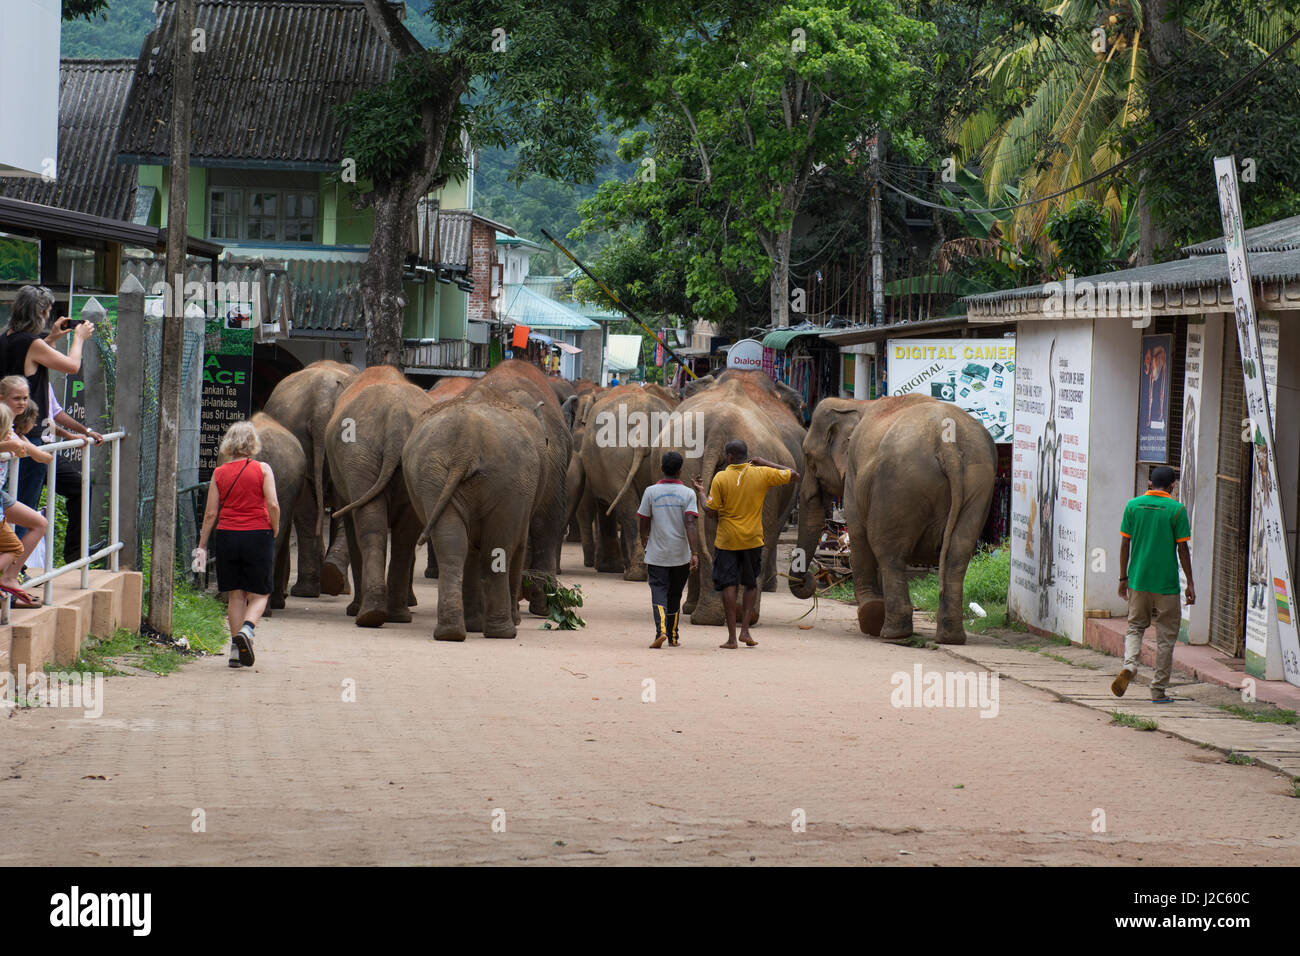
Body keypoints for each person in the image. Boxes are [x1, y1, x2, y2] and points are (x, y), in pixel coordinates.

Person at [0, 286, 94, 530]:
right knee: (24, 508)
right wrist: (79, 338)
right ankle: (14, 567)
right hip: (30, 434)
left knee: (14, 502)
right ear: (40, 312)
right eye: (48, 312)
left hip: (14, 430)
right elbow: (72, 366)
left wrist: (51, 338)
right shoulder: (31, 343)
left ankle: (15, 563)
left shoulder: (7, 339)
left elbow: (30, 359)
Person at [692, 439, 799, 649]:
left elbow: (711, 512)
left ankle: (732, 638)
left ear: (729, 457)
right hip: (752, 539)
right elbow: (794, 474)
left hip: (727, 540)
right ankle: (745, 631)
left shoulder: (721, 478)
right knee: (750, 584)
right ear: (746, 454)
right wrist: (765, 462)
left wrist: (701, 493)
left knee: (728, 585)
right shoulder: (761, 473)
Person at [196, 421, 280, 669]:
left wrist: (202, 545)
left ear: (229, 444)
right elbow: (273, 505)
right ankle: (248, 629)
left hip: (227, 536)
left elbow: (211, 513)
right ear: (252, 444)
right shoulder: (263, 469)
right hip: (258, 534)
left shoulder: (219, 473)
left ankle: (235, 650)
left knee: (235, 595)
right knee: (261, 593)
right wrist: (274, 527)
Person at [1111, 465, 1195, 703]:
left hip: (1138, 580)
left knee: (1135, 626)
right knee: (1166, 637)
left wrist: (1122, 578)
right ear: (1172, 486)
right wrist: (1190, 583)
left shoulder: (1132, 506)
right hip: (1166, 584)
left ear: (1149, 483)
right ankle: (1158, 690)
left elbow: (1124, 544)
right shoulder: (1176, 510)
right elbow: (1182, 548)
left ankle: (1130, 665)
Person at [637, 451, 700, 649]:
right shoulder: (689, 493)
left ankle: (661, 631)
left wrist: (643, 537)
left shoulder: (650, 491)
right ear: (680, 471)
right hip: (680, 554)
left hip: (657, 553)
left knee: (658, 592)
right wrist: (694, 552)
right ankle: (673, 636)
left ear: (661, 469)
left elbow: (644, 519)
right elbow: (690, 523)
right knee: (675, 595)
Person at [0, 395, 51, 606]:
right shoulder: (8, 433)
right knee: (13, 547)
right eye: (17, 398)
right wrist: (14, 444)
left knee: (39, 523)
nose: (22, 403)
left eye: (25, 398)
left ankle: (9, 579)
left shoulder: (11, 431)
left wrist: (18, 443)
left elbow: (44, 457)